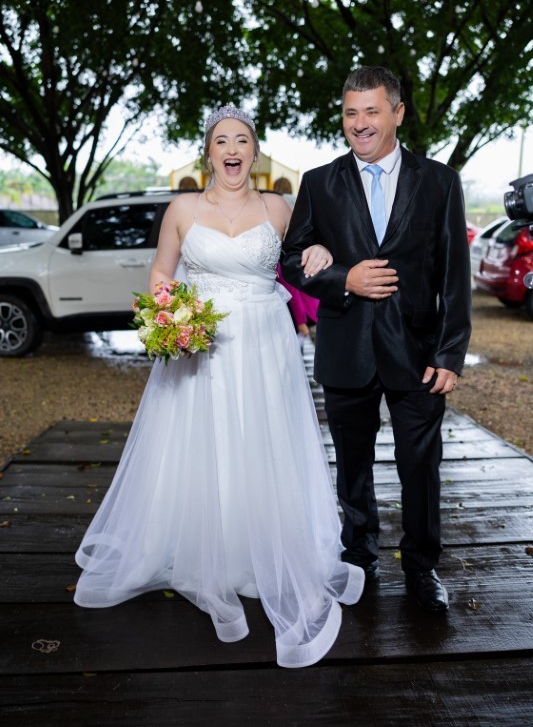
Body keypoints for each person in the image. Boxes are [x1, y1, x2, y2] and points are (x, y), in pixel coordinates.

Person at [74, 104, 365, 668]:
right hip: (201, 344)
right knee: (203, 443)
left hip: (265, 342)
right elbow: (162, 271)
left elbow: (308, 253)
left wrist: (321, 250)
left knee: (263, 442)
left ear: (255, 152)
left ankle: (264, 551)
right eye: (222, 141)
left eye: (242, 140)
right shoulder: (182, 209)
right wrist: (168, 316)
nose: (232, 149)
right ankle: (205, 551)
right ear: (208, 153)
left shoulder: (278, 207)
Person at [282, 67, 472, 613]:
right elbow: (291, 260)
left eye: (371, 111)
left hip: (418, 353)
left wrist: (449, 353)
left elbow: (454, 275)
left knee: (421, 466)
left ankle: (421, 567)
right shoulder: (319, 182)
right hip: (347, 347)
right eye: (350, 113)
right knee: (352, 464)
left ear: (397, 113)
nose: (359, 123)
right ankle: (359, 559)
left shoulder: (439, 181)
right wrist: (344, 278)